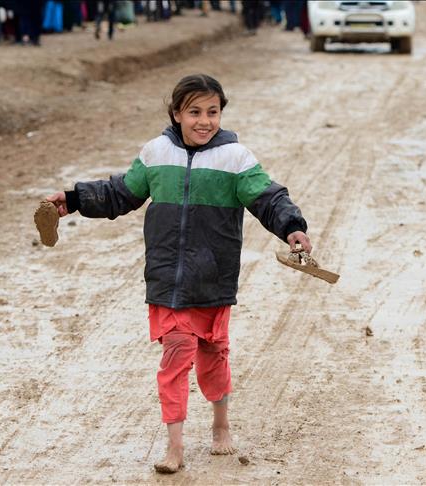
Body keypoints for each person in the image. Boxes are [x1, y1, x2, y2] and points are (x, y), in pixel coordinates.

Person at [44, 74, 312, 474]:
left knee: (213, 358)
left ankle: (220, 423)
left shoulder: (235, 158)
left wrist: (292, 227)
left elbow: (268, 198)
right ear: (176, 113)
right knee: (175, 358)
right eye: (194, 112)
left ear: (221, 113)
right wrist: (75, 199)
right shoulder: (156, 153)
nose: (204, 121)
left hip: (213, 277)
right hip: (167, 279)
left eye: (212, 112)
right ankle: (175, 446)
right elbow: (121, 193)